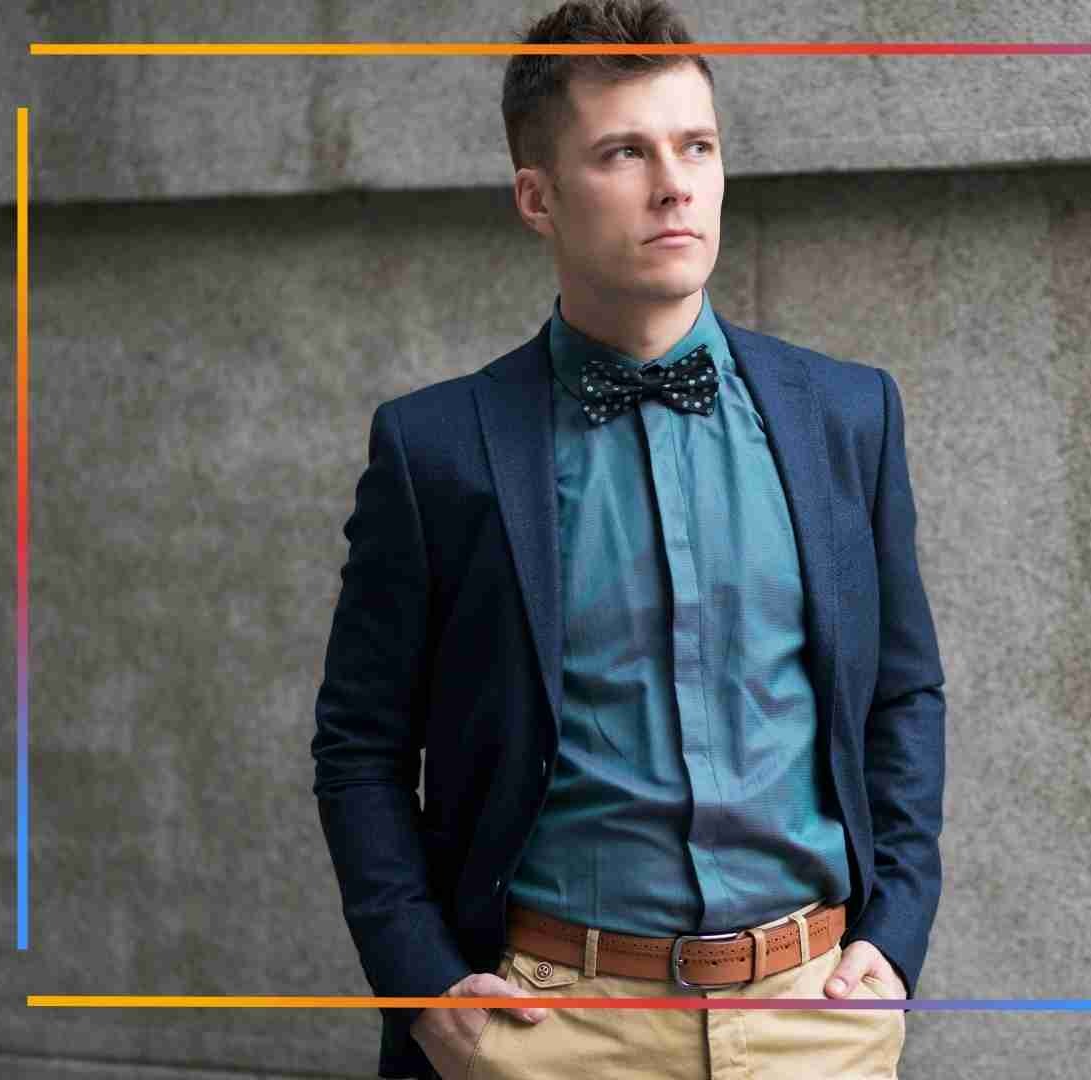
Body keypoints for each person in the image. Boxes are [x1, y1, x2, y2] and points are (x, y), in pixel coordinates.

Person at [310, 2, 947, 1076]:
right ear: (537, 197)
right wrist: (424, 983)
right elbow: (360, 749)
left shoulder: (849, 416)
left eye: (697, 145)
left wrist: (895, 940)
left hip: (813, 1018)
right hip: (553, 1028)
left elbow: (902, 693)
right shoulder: (437, 451)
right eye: (625, 152)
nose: (675, 183)